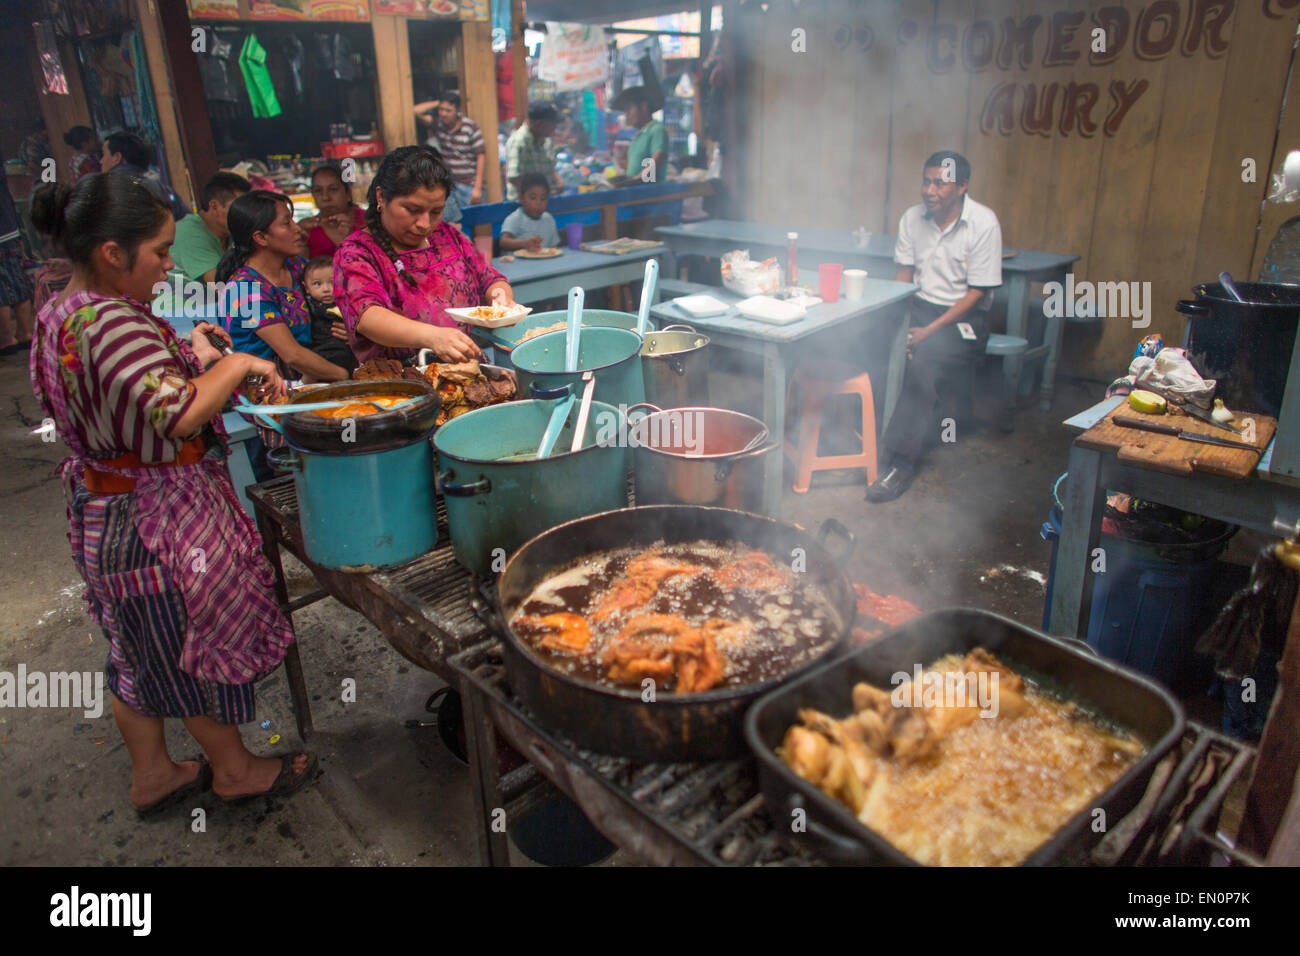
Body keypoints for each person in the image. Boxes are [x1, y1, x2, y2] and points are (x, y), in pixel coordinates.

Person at [27, 173, 317, 811]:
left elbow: (124, 390)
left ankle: (154, 774)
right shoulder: (110, 322)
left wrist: (189, 348)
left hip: (106, 507)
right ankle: (236, 771)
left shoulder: (60, 309)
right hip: (157, 516)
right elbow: (177, 416)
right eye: (159, 252)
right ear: (111, 253)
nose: (168, 266)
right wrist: (237, 363)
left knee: (137, 645)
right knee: (191, 643)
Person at [866, 150, 1002, 504]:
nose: (929, 190)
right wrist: (900, 326)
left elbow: (977, 293)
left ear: (961, 186)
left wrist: (924, 334)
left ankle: (899, 464)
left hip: (963, 319)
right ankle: (861, 435)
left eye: (939, 183)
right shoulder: (912, 218)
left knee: (925, 362)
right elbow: (903, 279)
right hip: (918, 307)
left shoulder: (983, 223)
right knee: (866, 337)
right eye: (926, 181)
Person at [334, 146, 514, 365]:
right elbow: (368, 317)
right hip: (401, 386)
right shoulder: (356, 253)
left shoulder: (448, 236)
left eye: (435, 211)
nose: (424, 224)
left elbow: (490, 278)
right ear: (381, 196)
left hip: (468, 372)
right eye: (412, 209)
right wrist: (434, 337)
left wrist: (501, 298)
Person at [215, 190, 349, 383]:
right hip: (269, 391)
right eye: (287, 223)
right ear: (261, 237)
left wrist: (345, 329)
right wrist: (345, 377)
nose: (297, 229)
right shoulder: (243, 289)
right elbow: (292, 355)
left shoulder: (298, 267)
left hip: (314, 375)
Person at [169, 172, 250, 282]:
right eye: (238, 208)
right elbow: (224, 288)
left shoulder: (229, 232)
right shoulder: (190, 235)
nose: (246, 214)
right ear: (214, 206)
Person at [415, 91, 485, 207]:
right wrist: (438, 102)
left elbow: (481, 156)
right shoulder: (439, 125)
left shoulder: (470, 127)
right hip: (451, 187)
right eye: (441, 109)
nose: (443, 114)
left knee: (473, 222)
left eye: (448, 110)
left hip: (469, 186)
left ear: (458, 110)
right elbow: (416, 111)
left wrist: (477, 188)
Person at [101, 131, 190, 221]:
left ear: (117, 157)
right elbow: (187, 222)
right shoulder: (163, 191)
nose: (101, 161)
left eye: (103, 155)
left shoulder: (103, 190)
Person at [302, 255, 357, 373]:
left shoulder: (346, 303)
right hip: (320, 352)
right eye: (317, 284)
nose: (326, 289)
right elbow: (251, 321)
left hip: (346, 351)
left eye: (332, 282)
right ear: (306, 287)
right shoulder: (309, 306)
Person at [302, 164, 366, 259]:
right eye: (318, 191)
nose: (325, 197)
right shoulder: (307, 230)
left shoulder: (369, 221)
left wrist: (348, 240)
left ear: (348, 193)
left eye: (333, 189)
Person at [504, 101, 564, 201]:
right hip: (523, 206)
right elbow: (514, 177)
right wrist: (536, 196)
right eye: (552, 124)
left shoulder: (546, 141)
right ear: (539, 124)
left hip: (544, 202)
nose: (555, 128)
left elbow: (551, 166)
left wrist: (558, 181)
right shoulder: (519, 142)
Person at [613, 86, 668, 184]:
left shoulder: (656, 129)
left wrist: (636, 179)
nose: (627, 114)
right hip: (635, 191)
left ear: (644, 107)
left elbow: (659, 157)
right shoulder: (637, 136)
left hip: (650, 193)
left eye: (629, 109)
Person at [499, 174, 560, 252]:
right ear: (521, 198)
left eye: (543, 198)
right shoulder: (516, 218)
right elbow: (504, 242)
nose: (538, 202)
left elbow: (554, 248)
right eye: (533, 198)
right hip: (517, 263)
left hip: (543, 262)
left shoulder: (549, 219)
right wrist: (524, 243)